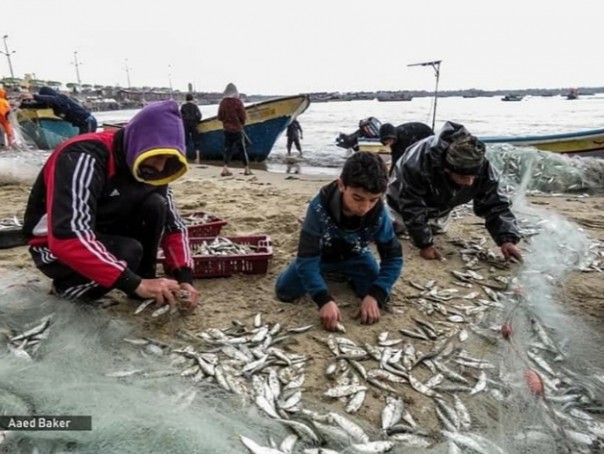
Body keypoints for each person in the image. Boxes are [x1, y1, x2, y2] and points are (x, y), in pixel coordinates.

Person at [22, 100, 199, 310]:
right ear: (138, 142)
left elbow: (174, 225)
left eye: (167, 160)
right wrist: (134, 284)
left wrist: (184, 276)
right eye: (157, 157)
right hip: (54, 246)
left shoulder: (154, 169)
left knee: (155, 204)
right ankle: (68, 289)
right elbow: (68, 237)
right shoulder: (83, 155)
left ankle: (143, 279)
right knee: (127, 251)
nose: (160, 166)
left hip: (103, 227)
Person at [275, 152, 403, 332]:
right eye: (357, 198)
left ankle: (347, 275)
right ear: (342, 185)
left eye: (373, 200)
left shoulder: (380, 214)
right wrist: (323, 299)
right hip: (320, 257)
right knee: (284, 291)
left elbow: (393, 259)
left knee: (379, 295)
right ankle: (326, 275)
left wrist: (375, 295)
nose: (364, 208)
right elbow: (306, 259)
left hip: (356, 255)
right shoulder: (318, 207)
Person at [386, 120, 522, 262]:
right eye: (463, 176)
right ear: (446, 169)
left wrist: (507, 239)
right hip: (400, 194)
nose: (470, 182)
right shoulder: (417, 164)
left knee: (436, 229)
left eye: (473, 176)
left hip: (443, 200)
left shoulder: (480, 164)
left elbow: (495, 203)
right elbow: (412, 205)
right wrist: (424, 245)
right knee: (396, 225)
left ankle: (430, 220)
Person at [25, 86, 97, 135]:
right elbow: (37, 105)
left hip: (88, 122)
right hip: (82, 124)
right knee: (82, 142)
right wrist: (22, 105)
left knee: (84, 142)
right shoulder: (52, 104)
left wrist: (34, 96)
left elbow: (53, 99)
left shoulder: (61, 99)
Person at [217, 82, 251, 176]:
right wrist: (240, 124)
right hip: (237, 129)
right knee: (242, 149)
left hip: (227, 130)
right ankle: (247, 169)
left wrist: (226, 122)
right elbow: (243, 116)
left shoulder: (223, 102)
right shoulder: (238, 102)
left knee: (227, 149)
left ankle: (225, 169)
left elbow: (219, 116)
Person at [180, 93, 202, 163]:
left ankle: (184, 157)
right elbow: (199, 115)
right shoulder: (195, 106)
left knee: (185, 141)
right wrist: (196, 121)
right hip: (193, 124)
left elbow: (180, 115)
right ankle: (197, 158)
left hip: (185, 124)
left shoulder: (183, 106)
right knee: (196, 141)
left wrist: (184, 120)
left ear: (186, 99)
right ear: (192, 99)